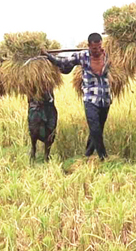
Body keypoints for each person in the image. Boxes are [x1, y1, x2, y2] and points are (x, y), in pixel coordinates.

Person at [43, 32, 112, 160]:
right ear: (89, 46)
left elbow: (125, 60)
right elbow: (63, 62)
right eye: (94, 48)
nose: (97, 50)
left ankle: (87, 155)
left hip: (106, 99)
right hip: (90, 98)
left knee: (97, 130)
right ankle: (103, 156)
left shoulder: (108, 54)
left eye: (99, 47)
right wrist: (48, 56)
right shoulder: (82, 56)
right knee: (94, 127)